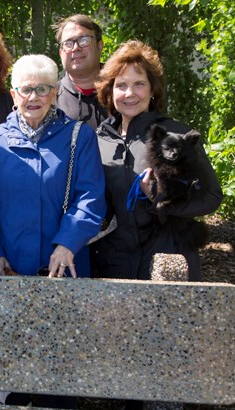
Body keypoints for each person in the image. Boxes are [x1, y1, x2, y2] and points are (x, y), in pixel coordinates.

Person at [0, 55, 105, 408]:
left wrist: (67, 244)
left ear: (54, 93)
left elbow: (90, 197)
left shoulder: (78, 137)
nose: (33, 96)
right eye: (26, 89)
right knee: (12, 367)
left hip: (61, 270)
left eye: (42, 88)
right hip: (9, 272)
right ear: (13, 93)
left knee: (59, 369)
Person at [93, 40, 222, 283]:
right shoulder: (99, 138)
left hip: (169, 256)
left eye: (139, 84)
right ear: (110, 91)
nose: (130, 93)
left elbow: (212, 196)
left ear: (153, 90)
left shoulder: (178, 136)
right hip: (115, 262)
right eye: (121, 85)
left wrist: (163, 203)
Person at [53, 14, 108, 129]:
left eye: (84, 40)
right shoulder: (51, 98)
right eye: (68, 43)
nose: (75, 48)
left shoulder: (121, 92)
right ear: (60, 53)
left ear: (100, 46)